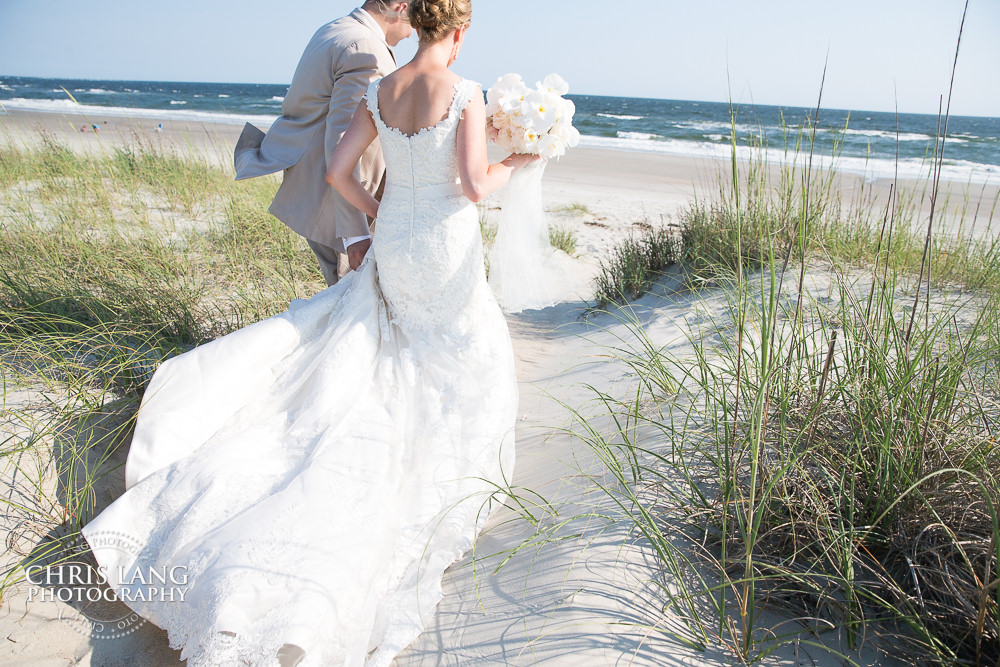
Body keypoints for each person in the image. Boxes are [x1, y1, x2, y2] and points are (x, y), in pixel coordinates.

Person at [82, 0, 537, 664]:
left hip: (396, 247)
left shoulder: (385, 86)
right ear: (462, 33)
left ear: (423, 22)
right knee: (463, 352)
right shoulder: (465, 92)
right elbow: (472, 184)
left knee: (395, 353)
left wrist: (378, 209)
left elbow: (336, 172)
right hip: (442, 250)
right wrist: (519, 159)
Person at [233, 1, 412, 286]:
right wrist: (355, 234)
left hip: (316, 185)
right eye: (413, 21)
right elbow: (341, 136)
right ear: (401, 7)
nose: (412, 34)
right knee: (349, 300)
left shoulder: (333, 29)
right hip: (338, 204)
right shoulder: (365, 47)